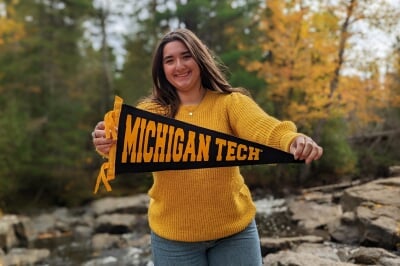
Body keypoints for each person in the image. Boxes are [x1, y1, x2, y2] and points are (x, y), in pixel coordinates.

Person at [92, 28, 323, 266]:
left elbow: (263, 128)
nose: (179, 65)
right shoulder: (151, 112)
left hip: (234, 233)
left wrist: (293, 139)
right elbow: (122, 144)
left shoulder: (230, 104)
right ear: (162, 69)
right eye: (169, 60)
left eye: (186, 56)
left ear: (200, 59)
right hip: (174, 239)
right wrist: (107, 141)